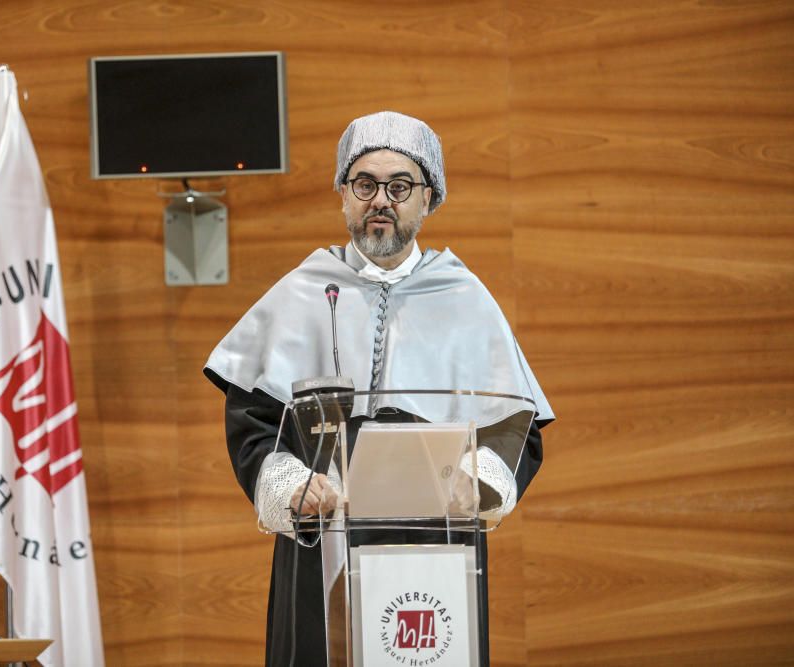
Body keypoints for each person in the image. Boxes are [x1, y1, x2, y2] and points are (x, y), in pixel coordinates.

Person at [204, 111, 554, 666]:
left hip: (434, 547)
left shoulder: (466, 301)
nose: (381, 200)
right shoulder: (301, 293)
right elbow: (253, 421)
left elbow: (517, 429)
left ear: (428, 199)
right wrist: (291, 483)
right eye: (364, 184)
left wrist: (480, 484)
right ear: (344, 195)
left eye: (399, 186)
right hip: (322, 540)